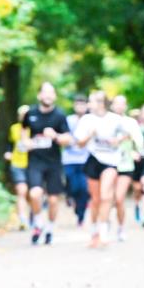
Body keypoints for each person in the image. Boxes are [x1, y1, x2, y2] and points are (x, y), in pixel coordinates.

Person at [75, 91, 131, 248]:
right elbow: (79, 143)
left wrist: (117, 140)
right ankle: (94, 231)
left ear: (100, 103)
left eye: (91, 101)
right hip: (93, 160)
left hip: (111, 161)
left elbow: (127, 134)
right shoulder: (86, 120)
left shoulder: (114, 119)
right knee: (96, 199)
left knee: (106, 196)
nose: (88, 104)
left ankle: (104, 232)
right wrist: (89, 135)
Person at [20, 82, 72, 245]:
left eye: (51, 93)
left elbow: (68, 139)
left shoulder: (60, 115)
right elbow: (23, 130)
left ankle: (49, 227)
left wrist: (55, 136)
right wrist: (25, 142)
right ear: (39, 95)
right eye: (45, 93)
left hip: (54, 163)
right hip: (35, 161)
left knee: (53, 200)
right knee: (34, 194)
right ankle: (38, 223)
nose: (48, 96)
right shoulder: (31, 113)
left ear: (54, 96)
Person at [108, 95, 144, 242]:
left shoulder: (131, 122)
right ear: (112, 106)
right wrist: (121, 139)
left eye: (122, 104)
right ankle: (106, 222)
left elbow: (139, 142)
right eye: (117, 103)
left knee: (119, 198)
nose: (119, 106)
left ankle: (121, 227)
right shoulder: (107, 121)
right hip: (108, 163)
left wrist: (135, 151)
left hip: (125, 164)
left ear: (126, 106)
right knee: (107, 198)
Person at [62, 93, 90, 226]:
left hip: (85, 159)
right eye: (78, 104)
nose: (80, 107)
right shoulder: (68, 120)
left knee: (84, 188)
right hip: (69, 159)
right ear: (74, 106)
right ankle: (70, 197)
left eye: (83, 104)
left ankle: (81, 214)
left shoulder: (91, 120)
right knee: (72, 187)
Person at [4, 105, 31, 230]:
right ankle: (23, 219)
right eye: (22, 114)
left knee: (32, 193)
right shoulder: (14, 128)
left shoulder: (34, 128)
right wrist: (8, 152)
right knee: (21, 191)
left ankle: (33, 216)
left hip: (32, 164)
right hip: (17, 163)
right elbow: (10, 143)